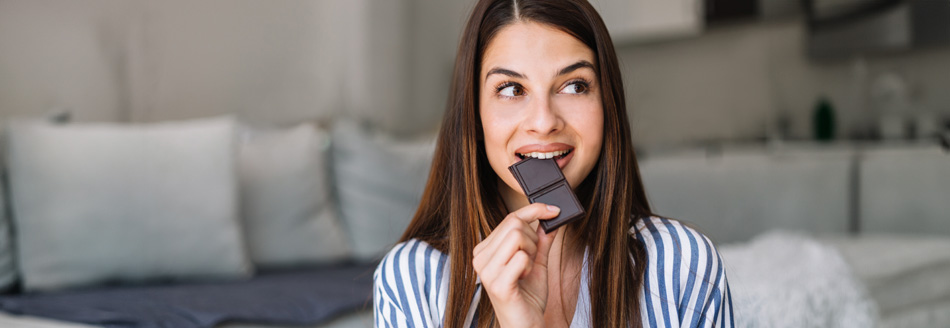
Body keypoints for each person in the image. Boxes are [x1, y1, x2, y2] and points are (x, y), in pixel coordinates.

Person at [373, 0, 733, 327]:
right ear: (474, 116)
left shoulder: (684, 264)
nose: (544, 121)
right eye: (512, 89)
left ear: (608, 105)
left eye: (575, 86)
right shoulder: (412, 280)